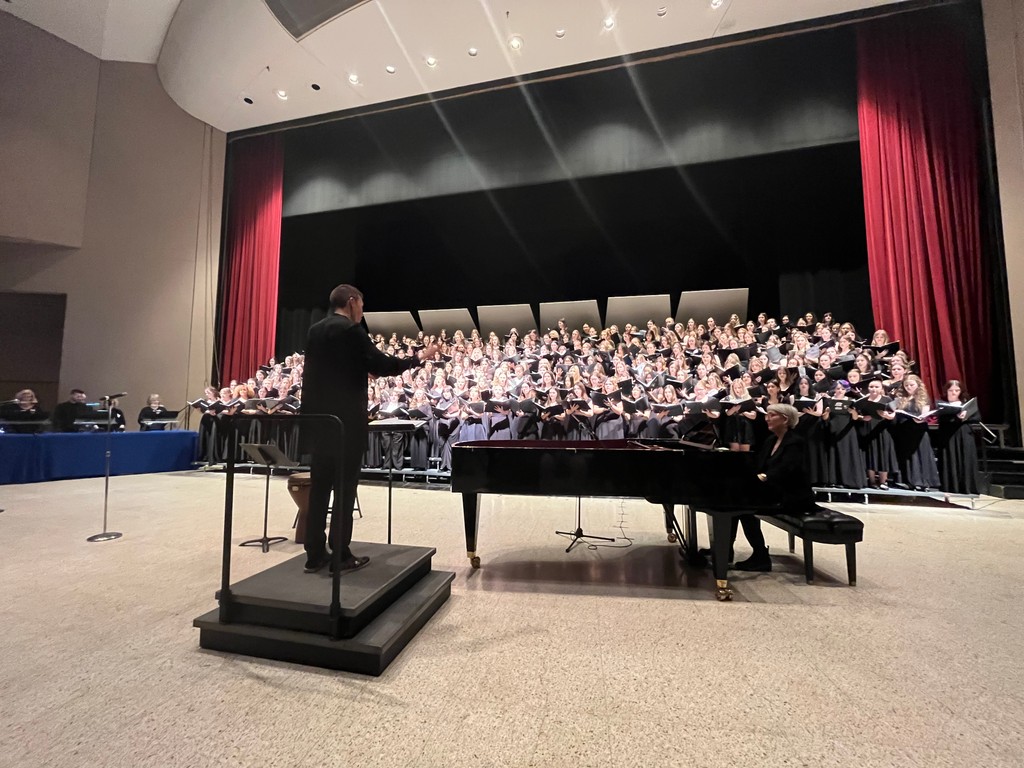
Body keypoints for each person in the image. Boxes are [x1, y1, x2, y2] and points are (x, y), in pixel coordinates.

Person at [301, 284, 438, 575]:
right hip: (345, 424)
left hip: (318, 423)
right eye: (362, 305)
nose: (362, 312)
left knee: (319, 489)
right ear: (351, 302)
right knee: (345, 490)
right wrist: (419, 358)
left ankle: (314, 554)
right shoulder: (351, 331)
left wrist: (363, 368)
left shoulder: (315, 331)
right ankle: (341, 555)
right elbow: (383, 363)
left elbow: (334, 369)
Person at [732, 404, 819, 572]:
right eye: (767, 415)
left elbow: (786, 469)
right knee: (733, 502)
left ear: (785, 419)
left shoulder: (796, 442)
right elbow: (759, 465)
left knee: (743, 509)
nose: (767, 418)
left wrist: (763, 477)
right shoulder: (771, 439)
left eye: (772, 415)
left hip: (792, 494)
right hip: (775, 490)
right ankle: (727, 550)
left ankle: (760, 556)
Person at [935, 379, 980, 494]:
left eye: (957, 390)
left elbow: (977, 418)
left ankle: (966, 487)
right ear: (946, 391)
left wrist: (966, 416)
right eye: (951, 390)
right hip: (948, 435)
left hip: (964, 435)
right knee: (949, 459)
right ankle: (950, 486)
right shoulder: (942, 403)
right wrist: (956, 417)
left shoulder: (966, 403)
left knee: (965, 459)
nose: (954, 393)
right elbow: (941, 419)